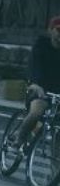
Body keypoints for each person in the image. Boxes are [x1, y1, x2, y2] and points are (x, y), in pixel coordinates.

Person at [9, 16, 60, 150]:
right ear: (51, 30)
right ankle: (20, 137)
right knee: (37, 112)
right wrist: (34, 83)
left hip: (58, 91)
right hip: (40, 87)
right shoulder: (41, 44)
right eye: (59, 30)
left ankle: (55, 169)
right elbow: (34, 64)